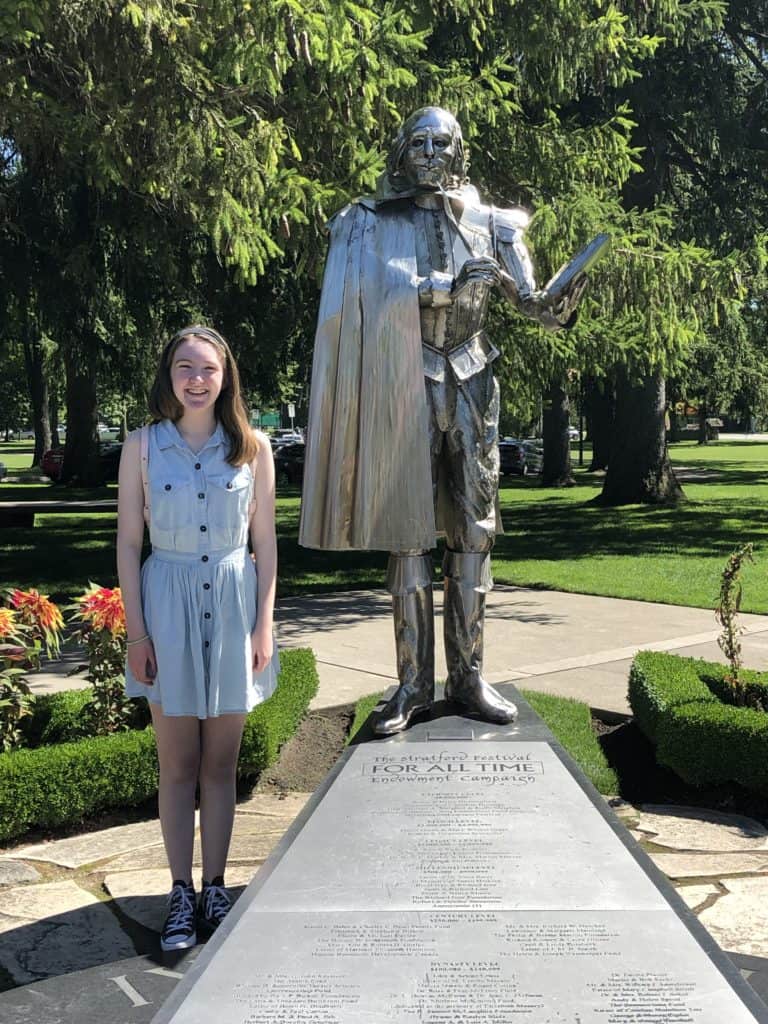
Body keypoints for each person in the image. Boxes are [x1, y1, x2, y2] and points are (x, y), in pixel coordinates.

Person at [300, 106, 588, 736]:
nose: (430, 153)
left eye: (442, 143)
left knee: (475, 530)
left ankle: (469, 678)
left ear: (458, 151)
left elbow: (533, 305)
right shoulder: (369, 224)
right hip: (402, 379)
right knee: (408, 532)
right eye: (419, 142)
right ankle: (410, 684)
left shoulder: (493, 223)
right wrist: (435, 289)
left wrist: (555, 304)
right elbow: (356, 301)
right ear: (401, 151)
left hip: (471, 378)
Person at [117, 325, 279, 951]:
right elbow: (130, 544)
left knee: (221, 764)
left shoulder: (252, 448)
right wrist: (137, 633)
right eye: (184, 367)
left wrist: (264, 624)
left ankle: (217, 886)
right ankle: (180, 892)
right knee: (178, 764)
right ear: (169, 376)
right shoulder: (143, 448)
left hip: (235, 611)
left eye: (207, 369)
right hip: (168, 608)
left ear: (224, 377)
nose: (195, 379)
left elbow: (264, 545)